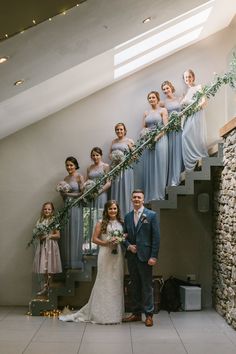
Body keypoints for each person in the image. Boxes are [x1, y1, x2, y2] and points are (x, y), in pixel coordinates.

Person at [59, 200, 124, 324]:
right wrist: (106, 243)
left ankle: (115, 314)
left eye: (115, 208)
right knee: (105, 282)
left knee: (116, 281)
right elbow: (94, 239)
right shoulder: (101, 223)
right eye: (110, 209)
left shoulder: (121, 222)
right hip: (105, 254)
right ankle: (101, 315)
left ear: (117, 210)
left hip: (117, 255)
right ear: (106, 210)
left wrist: (120, 239)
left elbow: (124, 236)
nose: (113, 211)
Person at [123, 190, 160, 327]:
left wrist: (154, 256)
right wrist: (128, 246)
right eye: (134, 197)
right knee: (135, 286)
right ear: (131, 200)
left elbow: (156, 238)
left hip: (146, 257)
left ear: (143, 200)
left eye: (139, 197)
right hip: (132, 257)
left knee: (147, 286)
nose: (136, 199)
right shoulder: (127, 217)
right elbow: (123, 236)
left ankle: (149, 315)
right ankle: (136, 313)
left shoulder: (151, 215)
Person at [142, 91, 168, 202]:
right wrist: (146, 137)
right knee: (150, 167)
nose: (151, 99)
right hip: (149, 141)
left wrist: (156, 138)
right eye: (149, 98)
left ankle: (159, 194)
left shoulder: (163, 110)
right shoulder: (146, 113)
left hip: (161, 139)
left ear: (157, 98)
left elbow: (166, 127)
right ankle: (150, 194)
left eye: (153, 97)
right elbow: (143, 128)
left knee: (159, 165)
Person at [59, 156, 84, 269]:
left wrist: (68, 194)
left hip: (76, 206)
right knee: (67, 232)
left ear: (75, 166)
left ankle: (76, 262)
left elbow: (82, 194)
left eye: (71, 165)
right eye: (67, 165)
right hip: (67, 206)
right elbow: (63, 196)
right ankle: (68, 262)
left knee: (75, 231)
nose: (69, 167)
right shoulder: (65, 178)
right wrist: (62, 193)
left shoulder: (79, 177)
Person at [181, 69, 208, 171]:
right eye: (186, 77)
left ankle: (200, 156)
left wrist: (194, 109)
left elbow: (204, 102)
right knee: (185, 136)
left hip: (197, 113)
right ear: (184, 80)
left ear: (193, 77)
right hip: (188, 116)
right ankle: (193, 159)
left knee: (197, 134)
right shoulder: (186, 92)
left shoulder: (198, 87)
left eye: (189, 77)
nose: (188, 79)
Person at [33, 202, 62, 296]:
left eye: (49, 209)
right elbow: (38, 236)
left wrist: (48, 235)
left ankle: (50, 287)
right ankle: (45, 287)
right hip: (43, 246)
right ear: (43, 210)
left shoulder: (54, 220)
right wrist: (41, 236)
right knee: (44, 268)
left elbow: (58, 235)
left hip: (51, 246)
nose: (47, 211)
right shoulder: (40, 221)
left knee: (50, 267)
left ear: (52, 210)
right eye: (45, 209)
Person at [161, 80, 184, 186]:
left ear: (171, 87)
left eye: (167, 88)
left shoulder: (180, 98)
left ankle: (183, 173)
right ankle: (174, 178)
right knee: (173, 152)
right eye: (164, 89)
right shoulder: (163, 103)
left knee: (181, 149)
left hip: (180, 128)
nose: (166, 90)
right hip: (170, 130)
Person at [110, 123, 134, 217]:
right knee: (116, 189)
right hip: (116, 168)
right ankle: (115, 214)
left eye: (121, 129)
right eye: (117, 130)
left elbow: (135, 156)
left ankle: (126, 214)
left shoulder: (129, 141)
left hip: (126, 169)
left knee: (125, 189)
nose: (119, 131)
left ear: (125, 130)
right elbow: (110, 154)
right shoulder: (113, 142)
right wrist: (115, 159)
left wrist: (124, 160)